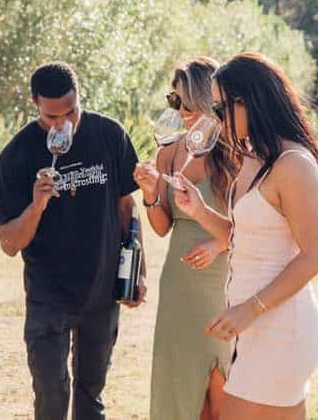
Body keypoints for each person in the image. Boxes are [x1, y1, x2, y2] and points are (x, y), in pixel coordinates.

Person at [174, 51, 318, 420]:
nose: (217, 118)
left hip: (280, 326)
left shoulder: (293, 165)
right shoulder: (254, 157)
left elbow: (315, 257)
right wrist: (199, 210)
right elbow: (244, 237)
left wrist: (249, 310)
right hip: (251, 327)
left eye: (221, 108)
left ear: (251, 102)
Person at [0, 62, 146, 420]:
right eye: (51, 117)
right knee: (51, 393)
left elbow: (126, 206)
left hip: (102, 289)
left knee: (91, 395)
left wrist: (136, 270)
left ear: (80, 97)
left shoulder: (109, 134)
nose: (62, 124)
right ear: (35, 104)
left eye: (70, 112)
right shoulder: (17, 154)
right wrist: (37, 205)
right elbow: (9, 243)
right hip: (49, 295)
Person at [133, 58, 237, 420]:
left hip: (223, 280)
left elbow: (257, 222)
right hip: (179, 284)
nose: (180, 111)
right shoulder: (169, 151)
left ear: (207, 100)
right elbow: (162, 226)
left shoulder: (236, 151)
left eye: (186, 102)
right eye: (174, 101)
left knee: (222, 392)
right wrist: (150, 194)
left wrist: (220, 243)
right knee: (183, 387)